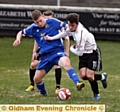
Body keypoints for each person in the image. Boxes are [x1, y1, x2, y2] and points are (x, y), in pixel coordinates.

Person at [13, 10, 85, 96]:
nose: (39, 23)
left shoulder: (52, 22)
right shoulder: (33, 28)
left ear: (43, 17)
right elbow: (21, 32)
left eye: (40, 20)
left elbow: (67, 27)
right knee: (36, 79)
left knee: (66, 64)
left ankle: (78, 83)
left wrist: (77, 33)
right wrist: (18, 39)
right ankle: (43, 93)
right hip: (45, 56)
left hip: (57, 52)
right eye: (37, 22)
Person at [44, 13, 107, 100]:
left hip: (92, 53)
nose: (70, 27)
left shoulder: (81, 33)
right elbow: (64, 33)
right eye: (69, 25)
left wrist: (70, 49)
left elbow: (79, 53)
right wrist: (51, 38)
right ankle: (102, 77)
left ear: (77, 24)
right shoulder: (71, 28)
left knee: (89, 75)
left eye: (72, 25)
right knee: (83, 76)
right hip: (83, 53)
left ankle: (97, 94)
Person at [25, 10, 70, 94]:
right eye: (46, 18)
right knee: (33, 65)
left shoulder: (56, 25)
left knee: (57, 66)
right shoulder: (40, 27)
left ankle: (57, 87)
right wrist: (34, 51)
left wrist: (67, 52)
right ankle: (32, 84)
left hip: (56, 49)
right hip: (44, 50)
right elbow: (36, 40)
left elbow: (67, 39)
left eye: (49, 18)